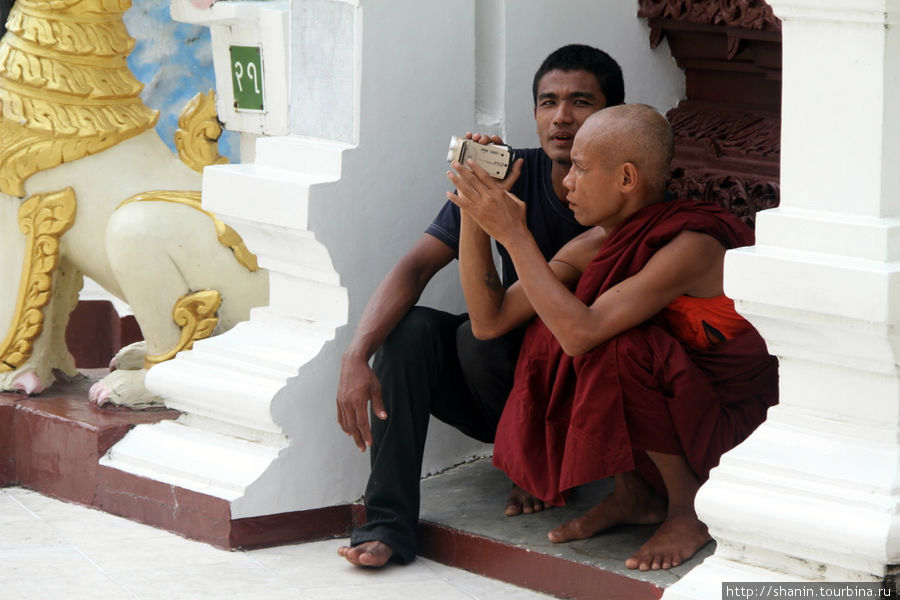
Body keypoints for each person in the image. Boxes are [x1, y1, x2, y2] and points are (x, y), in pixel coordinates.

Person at [446, 104, 778, 572]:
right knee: (553, 321)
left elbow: (584, 334)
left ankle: (688, 509)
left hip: (733, 430)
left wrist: (516, 234)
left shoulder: (691, 247)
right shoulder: (595, 245)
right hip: (677, 419)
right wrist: (474, 211)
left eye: (580, 168)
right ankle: (636, 493)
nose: (566, 183)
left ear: (626, 178)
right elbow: (490, 321)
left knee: (617, 344)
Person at [336, 44, 625, 568]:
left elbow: (494, 322)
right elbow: (416, 267)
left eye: (581, 102)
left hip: (583, 393)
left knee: (477, 335)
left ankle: (537, 460)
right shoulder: (510, 170)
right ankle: (387, 523)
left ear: (610, 116)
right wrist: (356, 355)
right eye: (547, 102)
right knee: (410, 333)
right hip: (504, 377)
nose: (561, 117)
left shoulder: (624, 193)